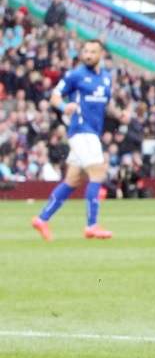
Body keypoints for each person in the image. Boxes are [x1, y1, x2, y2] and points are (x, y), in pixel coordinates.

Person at [30, 38, 113, 240]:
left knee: (73, 179)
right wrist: (63, 107)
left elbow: (105, 106)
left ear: (101, 55)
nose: (88, 55)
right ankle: (92, 225)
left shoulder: (106, 78)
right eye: (85, 51)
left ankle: (42, 218)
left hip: (93, 131)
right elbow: (55, 96)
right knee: (98, 172)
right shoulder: (76, 75)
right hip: (81, 130)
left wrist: (120, 115)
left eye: (93, 52)